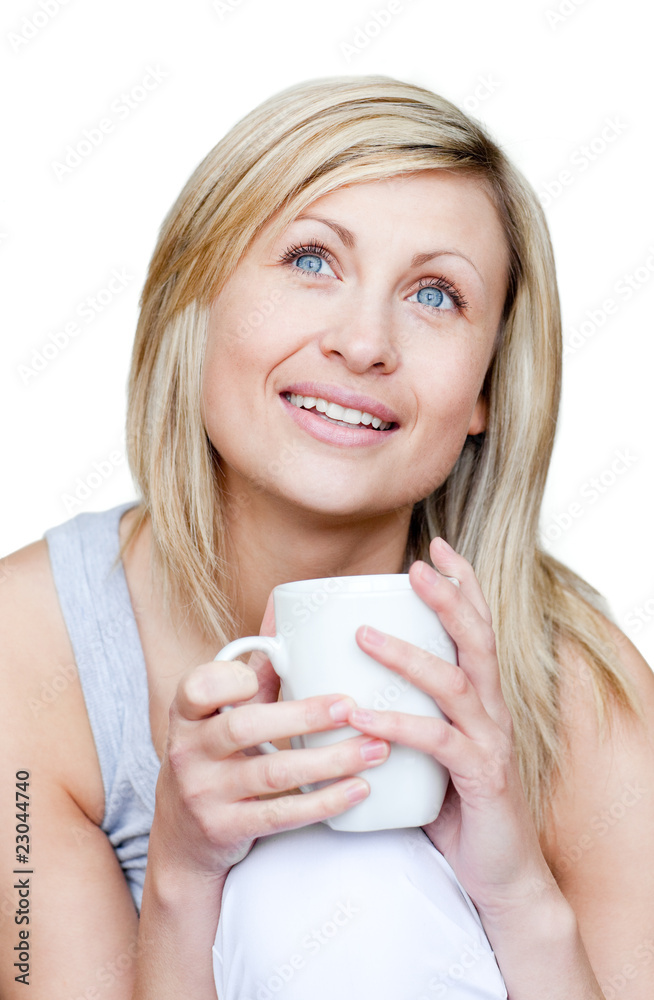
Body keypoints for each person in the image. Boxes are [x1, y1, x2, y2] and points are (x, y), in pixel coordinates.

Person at [1, 74, 653, 1000]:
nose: (364, 342)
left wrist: (514, 895)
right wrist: (186, 882)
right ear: (198, 298)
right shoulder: (26, 652)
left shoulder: (582, 687)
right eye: (311, 260)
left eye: (435, 294)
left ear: (486, 393)